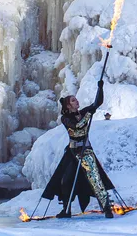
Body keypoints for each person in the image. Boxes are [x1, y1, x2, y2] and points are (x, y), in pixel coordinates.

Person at [41, 80, 117, 218]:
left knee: (95, 178)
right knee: (66, 180)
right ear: (68, 105)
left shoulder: (82, 112)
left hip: (86, 151)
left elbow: (97, 103)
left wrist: (100, 88)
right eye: (73, 100)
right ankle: (66, 209)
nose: (77, 101)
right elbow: (77, 128)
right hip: (72, 152)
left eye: (76, 100)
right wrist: (89, 114)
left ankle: (106, 207)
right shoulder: (65, 118)